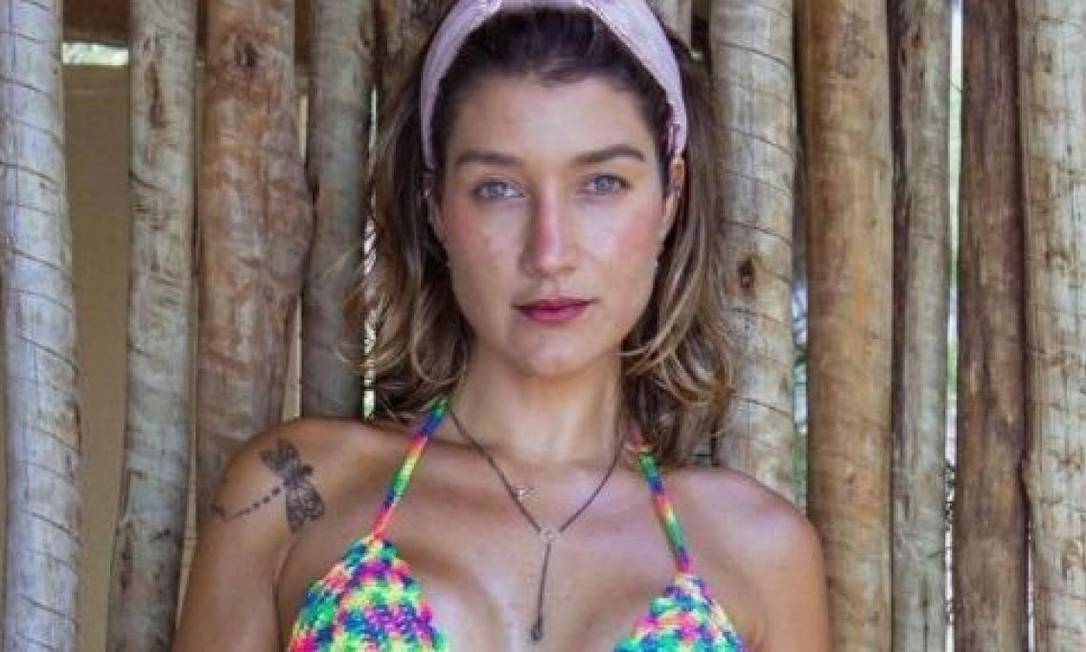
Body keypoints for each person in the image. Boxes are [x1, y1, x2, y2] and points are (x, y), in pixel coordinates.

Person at [174, 1, 830, 650]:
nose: (549, 252)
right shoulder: (292, 494)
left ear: (670, 196)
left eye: (602, 183)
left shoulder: (759, 552)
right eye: (498, 188)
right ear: (435, 205)